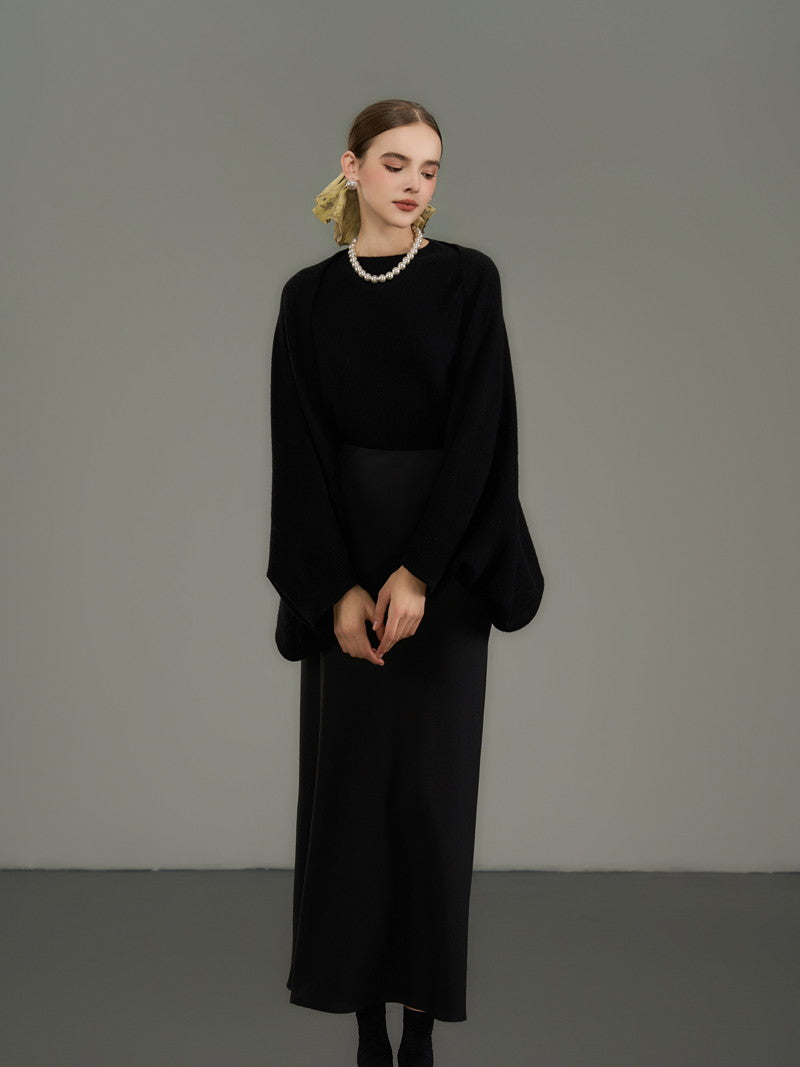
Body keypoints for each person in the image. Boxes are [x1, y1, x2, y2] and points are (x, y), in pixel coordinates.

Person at [266, 98, 545, 1067]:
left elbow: (481, 436)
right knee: (350, 798)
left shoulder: (467, 280)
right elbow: (299, 453)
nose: (413, 185)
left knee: (431, 798)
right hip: (345, 564)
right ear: (351, 167)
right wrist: (335, 589)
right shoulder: (308, 297)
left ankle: (420, 1026)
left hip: (445, 566)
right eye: (394, 164)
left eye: (428, 169)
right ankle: (364, 1028)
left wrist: (420, 570)